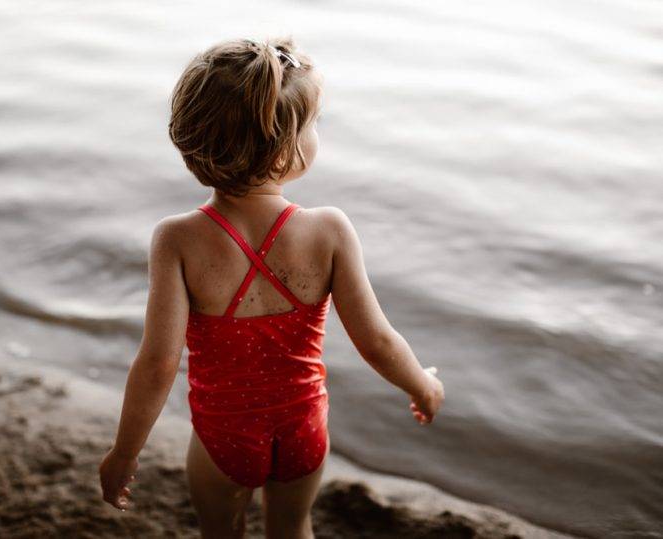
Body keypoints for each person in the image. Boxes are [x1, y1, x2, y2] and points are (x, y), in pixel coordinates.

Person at [99, 36, 445, 538]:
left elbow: (158, 363)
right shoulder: (329, 230)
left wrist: (125, 451)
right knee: (293, 528)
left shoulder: (177, 240)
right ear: (287, 151)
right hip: (303, 426)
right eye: (313, 125)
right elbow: (378, 340)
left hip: (225, 436)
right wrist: (423, 385)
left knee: (223, 531)